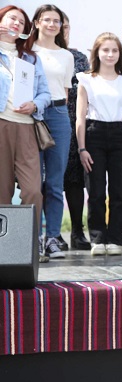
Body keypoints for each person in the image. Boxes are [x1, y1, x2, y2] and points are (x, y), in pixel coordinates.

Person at [76, 32, 122, 256]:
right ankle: (98, 238)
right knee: (96, 191)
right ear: (97, 52)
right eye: (105, 50)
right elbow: (80, 117)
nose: (110, 54)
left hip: (120, 136)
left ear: (120, 53)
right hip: (94, 134)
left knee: (119, 191)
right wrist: (82, 148)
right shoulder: (86, 79)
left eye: (114, 50)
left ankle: (115, 239)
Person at [0, 5, 51, 262]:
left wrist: (35, 104)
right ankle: (4, 249)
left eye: (21, 22)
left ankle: (26, 247)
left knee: (32, 190)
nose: (17, 24)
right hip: (1, 125)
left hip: (27, 127)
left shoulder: (31, 58)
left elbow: (45, 93)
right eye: (12, 18)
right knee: (2, 189)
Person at [26, 4, 74, 259]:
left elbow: (65, 92)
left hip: (58, 114)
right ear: (36, 22)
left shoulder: (66, 56)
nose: (52, 25)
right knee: (33, 182)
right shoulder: (26, 51)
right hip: (29, 115)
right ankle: (32, 238)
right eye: (47, 20)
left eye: (57, 21)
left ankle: (53, 238)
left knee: (55, 182)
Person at [60, 11, 91, 250]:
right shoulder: (36, 55)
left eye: (65, 26)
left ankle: (78, 232)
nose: (62, 30)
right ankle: (49, 235)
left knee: (75, 181)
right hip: (45, 126)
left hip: (76, 126)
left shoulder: (80, 58)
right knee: (47, 183)